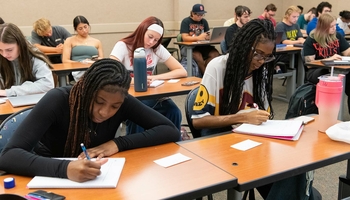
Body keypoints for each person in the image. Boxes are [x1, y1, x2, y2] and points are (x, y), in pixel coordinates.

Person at [0, 58, 180, 182]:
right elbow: (9, 156)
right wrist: (65, 169)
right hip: (49, 175)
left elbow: (169, 129)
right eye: (98, 102)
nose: (104, 112)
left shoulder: (122, 100)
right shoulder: (57, 100)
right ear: (86, 91)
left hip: (95, 180)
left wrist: (118, 143)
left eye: (114, 107)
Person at [110, 16, 187, 135]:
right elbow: (111, 73)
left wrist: (155, 77)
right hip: (129, 95)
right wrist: (137, 81)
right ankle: (136, 149)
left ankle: (172, 142)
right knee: (138, 116)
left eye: (156, 40)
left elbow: (181, 71)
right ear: (142, 31)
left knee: (174, 111)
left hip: (149, 94)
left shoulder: (157, 49)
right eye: (150, 37)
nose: (151, 42)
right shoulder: (123, 46)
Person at [303, 13, 350, 114]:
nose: (334, 28)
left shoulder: (337, 36)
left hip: (336, 69)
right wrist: (329, 59)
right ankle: (329, 112)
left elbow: (347, 52)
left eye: (335, 25)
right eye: (331, 26)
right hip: (316, 71)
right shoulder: (312, 39)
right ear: (323, 27)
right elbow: (309, 63)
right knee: (331, 75)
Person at [0, 23, 54, 97]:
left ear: (20, 44)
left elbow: (47, 84)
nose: (4, 54)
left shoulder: (34, 55)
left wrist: (9, 92)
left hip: (32, 104)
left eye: (9, 50)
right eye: (0, 50)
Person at [180, 3, 220, 77]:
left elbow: (207, 33)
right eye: (198, 15)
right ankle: (206, 76)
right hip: (189, 47)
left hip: (202, 45)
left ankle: (205, 71)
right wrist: (199, 38)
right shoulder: (186, 21)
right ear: (192, 13)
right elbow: (184, 38)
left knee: (215, 54)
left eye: (202, 15)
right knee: (198, 56)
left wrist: (209, 37)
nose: (200, 17)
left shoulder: (204, 21)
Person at [62, 15, 103, 82]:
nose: (84, 30)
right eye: (80, 29)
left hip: (93, 68)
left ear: (88, 26)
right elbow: (65, 60)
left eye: (85, 27)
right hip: (77, 69)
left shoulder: (97, 42)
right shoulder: (70, 40)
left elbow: (101, 59)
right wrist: (81, 63)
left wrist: (93, 61)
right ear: (76, 29)